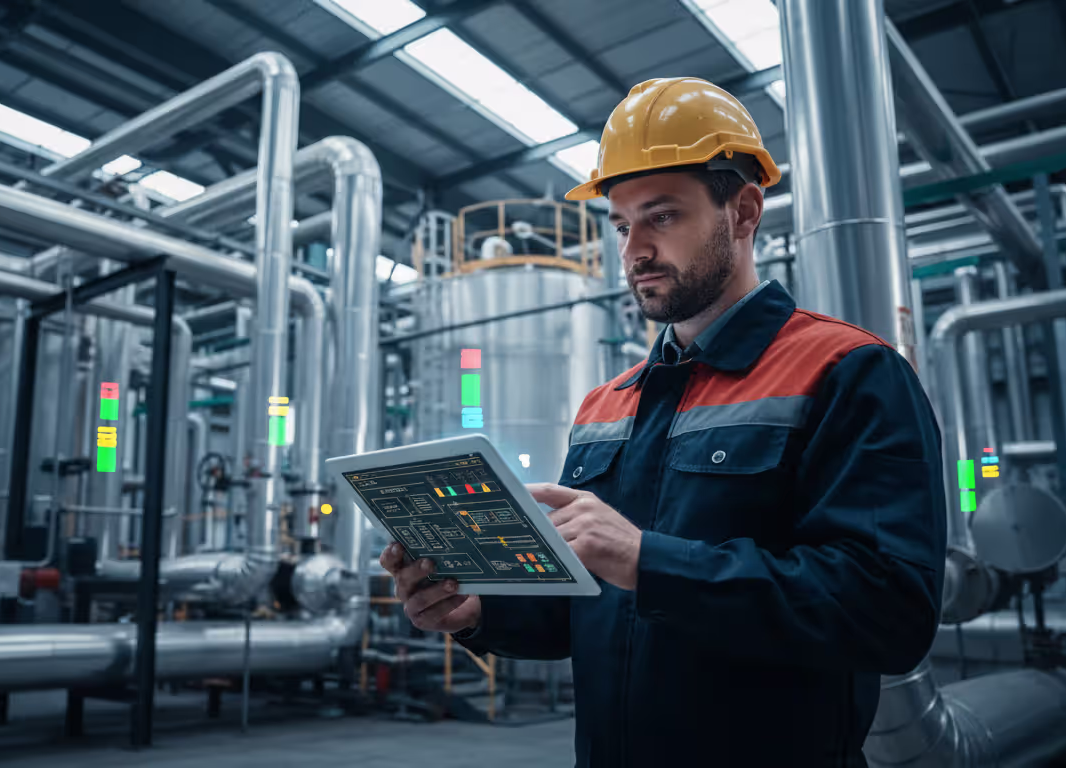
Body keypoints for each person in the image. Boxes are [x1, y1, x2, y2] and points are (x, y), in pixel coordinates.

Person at [380, 77, 947, 767]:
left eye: (662, 216)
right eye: (621, 224)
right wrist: (478, 613)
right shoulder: (605, 404)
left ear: (742, 212)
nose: (632, 251)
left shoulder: (847, 370)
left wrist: (649, 561)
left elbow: (888, 613)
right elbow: (584, 603)